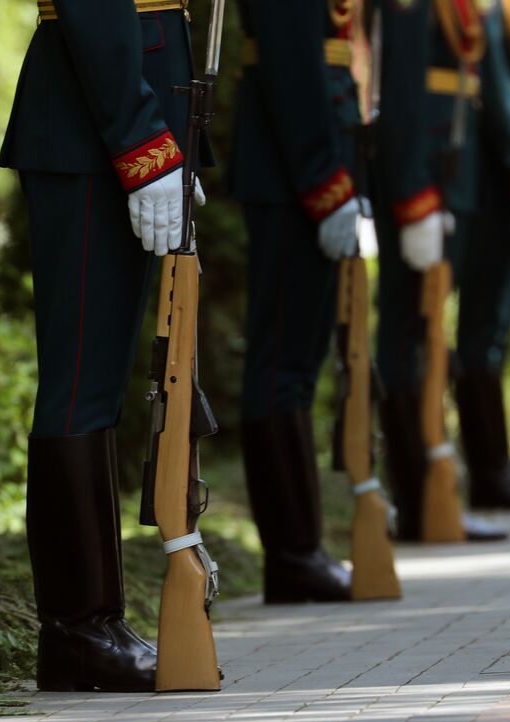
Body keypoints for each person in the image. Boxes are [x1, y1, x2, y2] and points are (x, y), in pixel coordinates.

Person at [0, 0, 207, 690]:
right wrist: (144, 143)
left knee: (99, 383)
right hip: (100, 127)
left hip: (123, 119)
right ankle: (77, 628)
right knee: (80, 384)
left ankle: (94, 624)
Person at [373, 0, 510, 543]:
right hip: (426, 178)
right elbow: (403, 90)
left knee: (427, 340)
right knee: (409, 338)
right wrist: (414, 195)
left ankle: (431, 495)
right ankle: (414, 500)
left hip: (451, 176)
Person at [228, 0, 358, 603]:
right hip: (292, 176)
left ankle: (302, 550)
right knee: (281, 366)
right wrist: (324, 182)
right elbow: (291, 64)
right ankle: (291, 552)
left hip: (309, 171)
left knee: (297, 369)